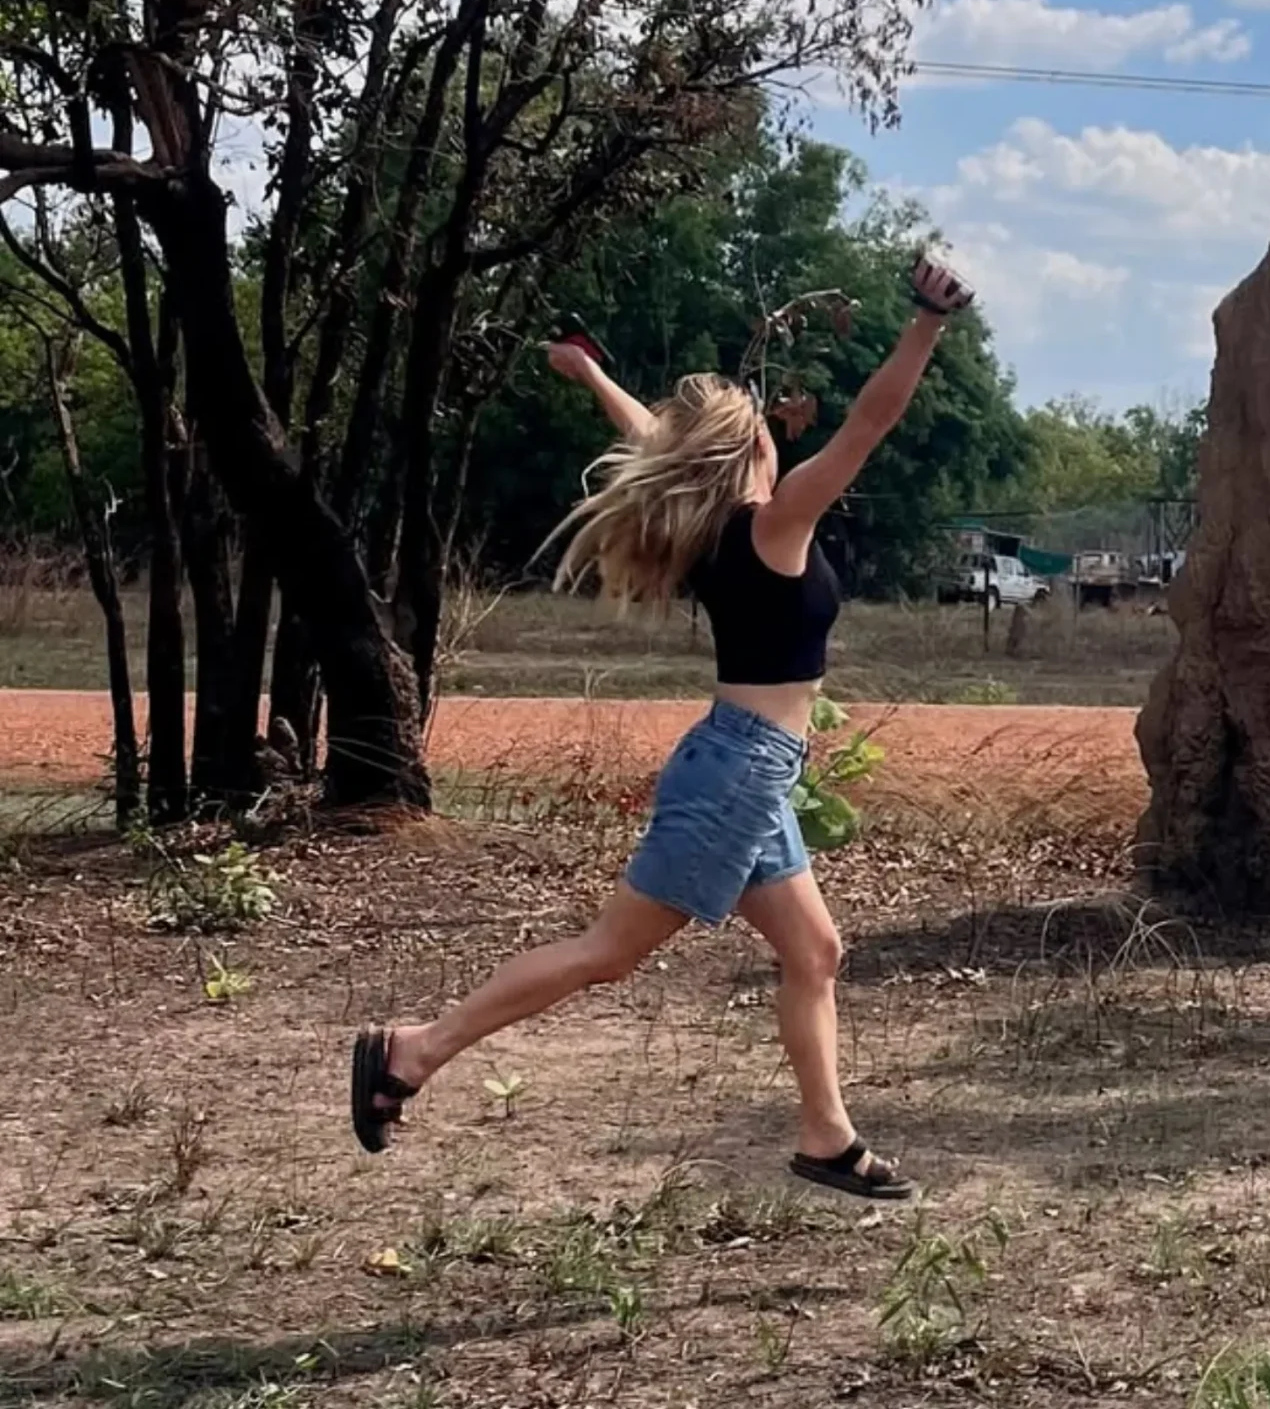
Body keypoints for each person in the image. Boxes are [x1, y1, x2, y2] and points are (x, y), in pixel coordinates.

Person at [348, 255, 976, 1200]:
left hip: (747, 769)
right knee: (609, 953)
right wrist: (926, 320)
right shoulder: (772, 528)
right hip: (738, 773)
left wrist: (590, 372)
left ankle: (825, 1136)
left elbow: (650, 437)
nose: (777, 442)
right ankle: (413, 1051)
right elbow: (868, 425)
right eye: (765, 434)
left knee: (815, 953)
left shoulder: (709, 522)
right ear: (748, 456)